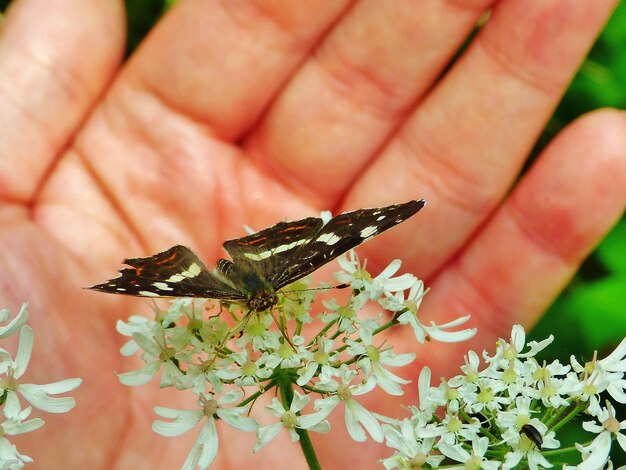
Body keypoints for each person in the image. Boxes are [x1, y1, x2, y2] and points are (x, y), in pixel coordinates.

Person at [1, 1, 624, 468]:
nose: (264, 314)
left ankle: (194, 271)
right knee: (228, 276)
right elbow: (321, 255)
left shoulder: (260, 297)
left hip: (264, 263)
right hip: (267, 261)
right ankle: (182, 274)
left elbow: (335, 245)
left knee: (263, 264)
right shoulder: (249, 297)